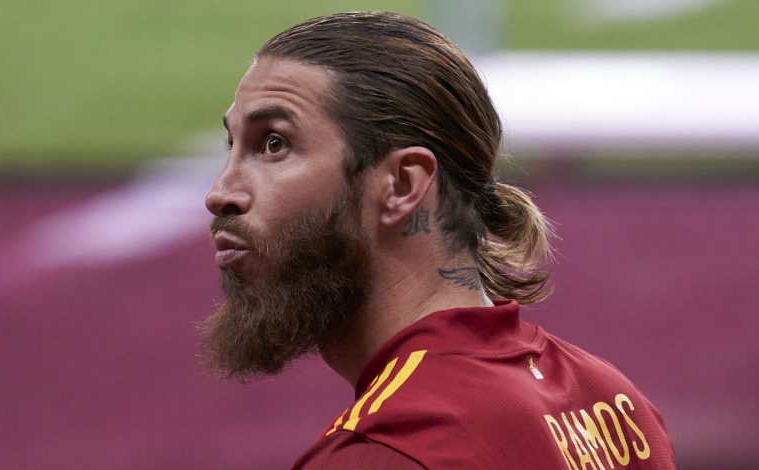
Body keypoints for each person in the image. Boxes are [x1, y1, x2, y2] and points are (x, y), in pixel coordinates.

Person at [201, 11, 676, 469]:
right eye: (232, 146)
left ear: (403, 185)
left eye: (274, 144)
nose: (220, 193)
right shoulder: (617, 407)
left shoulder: (388, 451)